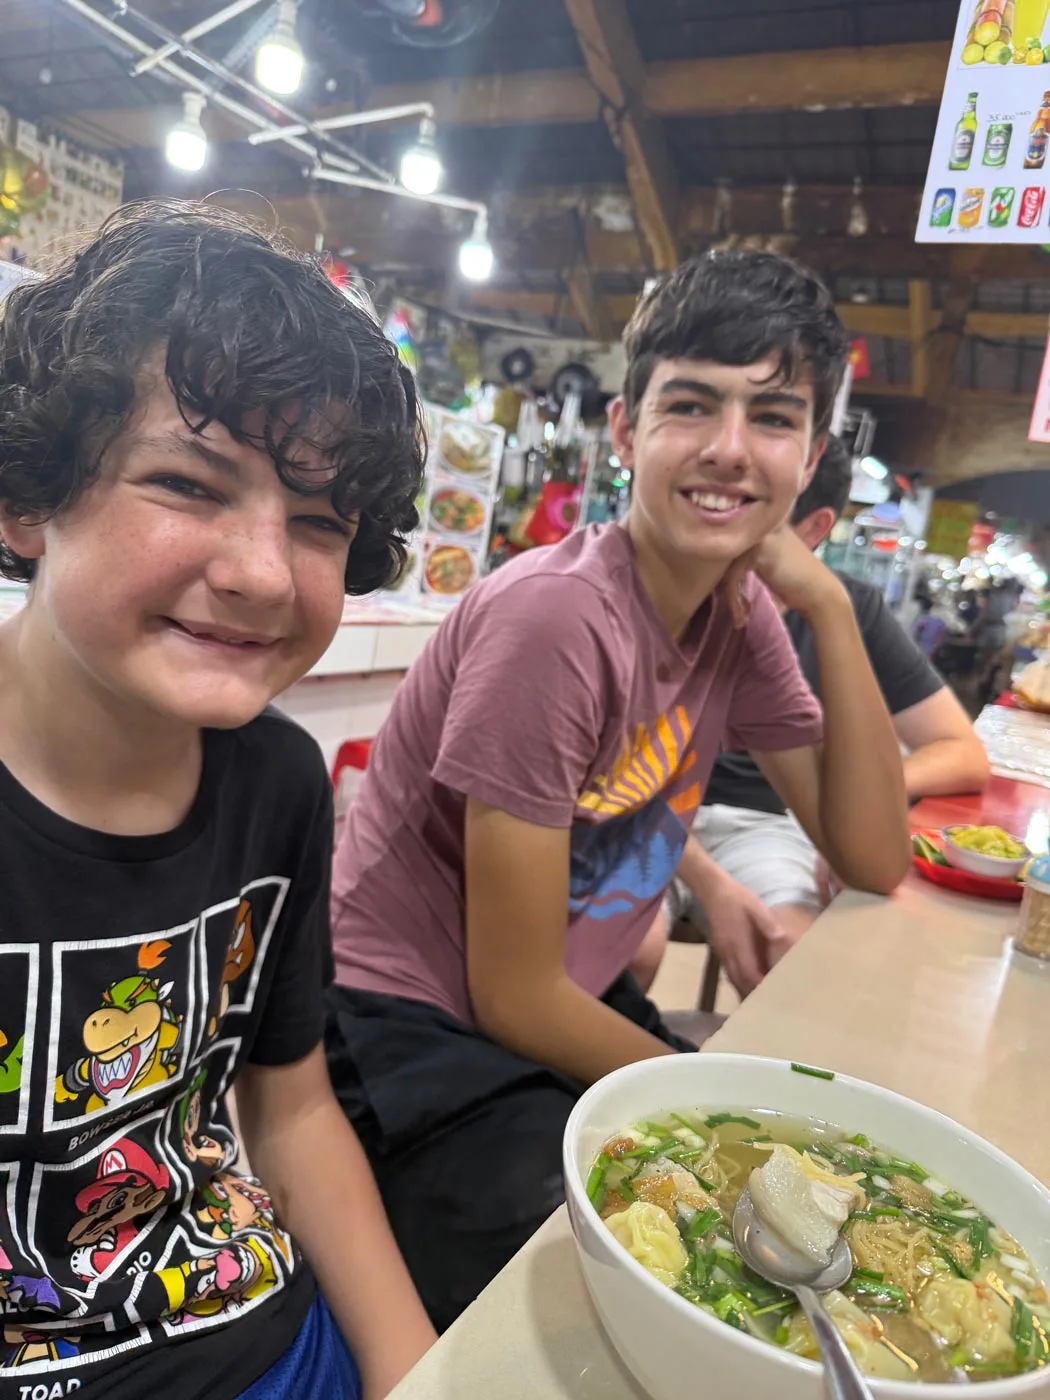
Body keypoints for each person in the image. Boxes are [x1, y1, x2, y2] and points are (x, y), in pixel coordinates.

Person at [324, 250, 912, 1330]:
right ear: (627, 430)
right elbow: (508, 993)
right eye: (691, 404)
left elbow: (874, 856)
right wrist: (717, 1109)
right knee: (619, 1285)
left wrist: (827, 605)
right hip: (403, 1024)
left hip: (557, 1000)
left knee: (757, 1233)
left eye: (774, 417)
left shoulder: (744, 615)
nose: (731, 449)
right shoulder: (555, 621)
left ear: (813, 454)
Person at [0, 201, 436, 1400]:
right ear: (29, 499)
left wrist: (421, 1376)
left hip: (260, 1330)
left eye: (317, 520)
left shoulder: (276, 781)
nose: (259, 569)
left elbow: (289, 1111)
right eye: (189, 483)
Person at [649, 437, 990, 996]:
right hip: (644, 816)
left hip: (767, 830)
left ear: (812, 530)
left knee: (798, 968)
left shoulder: (840, 612)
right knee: (624, 953)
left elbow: (960, 753)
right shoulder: (661, 594)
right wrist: (710, 884)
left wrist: (855, 798)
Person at [911, 596, 949, 661]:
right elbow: (943, 636)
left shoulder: (921, 620)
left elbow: (915, 635)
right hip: (932, 652)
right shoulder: (939, 622)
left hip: (921, 650)